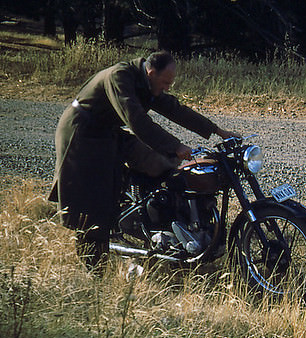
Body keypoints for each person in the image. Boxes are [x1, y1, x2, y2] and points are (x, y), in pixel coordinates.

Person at [48, 50, 235, 271]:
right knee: (95, 200)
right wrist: (176, 146)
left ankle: (160, 223)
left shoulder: (148, 83)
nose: (167, 87)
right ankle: (94, 263)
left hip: (108, 131)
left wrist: (218, 131)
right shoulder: (120, 76)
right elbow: (136, 121)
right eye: (165, 82)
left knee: (160, 164)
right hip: (83, 133)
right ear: (150, 72)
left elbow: (174, 109)